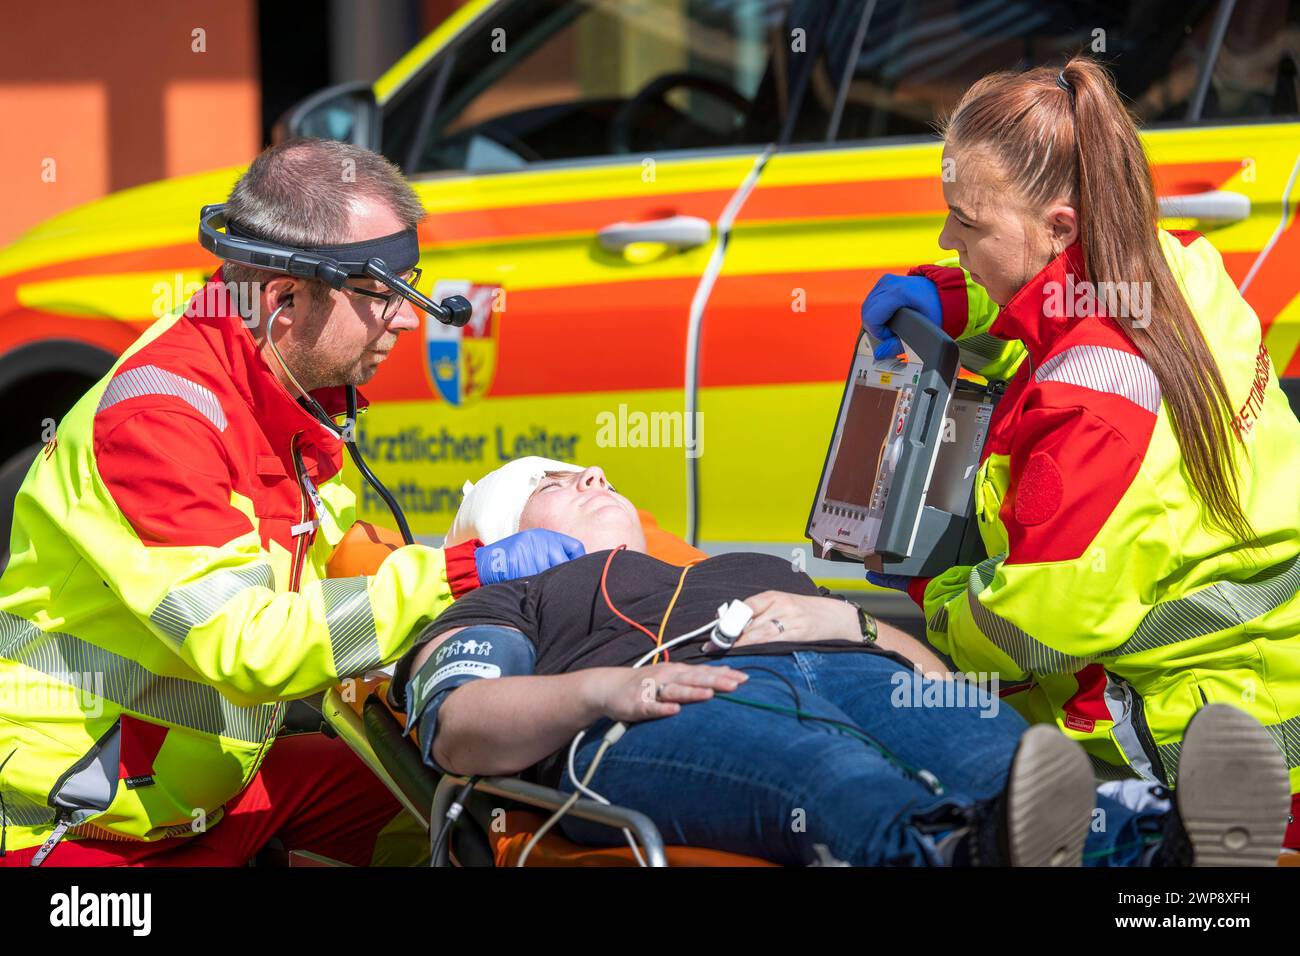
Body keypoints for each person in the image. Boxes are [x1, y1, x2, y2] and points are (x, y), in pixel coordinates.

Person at [0, 139, 581, 867]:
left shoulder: (287, 393)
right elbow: (249, 648)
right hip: (74, 825)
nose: (407, 319)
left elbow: (328, 579)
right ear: (282, 299)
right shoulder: (157, 422)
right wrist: (460, 576)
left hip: (193, 796)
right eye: (382, 294)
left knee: (460, 816)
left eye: (413, 285)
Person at [390, 459, 1292, 866]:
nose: (590, 478)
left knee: (1010, 764)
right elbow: (459, 726)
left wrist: (855, 626)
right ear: (508, 538)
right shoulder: (507, 600)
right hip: (668, 706)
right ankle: (959, 852)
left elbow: (935, 679)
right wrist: (610, 686)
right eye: (554, 481)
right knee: (833, 774)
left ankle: (1160, 837)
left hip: (850, 665)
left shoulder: (737, 566)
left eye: (587, 469)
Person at [860, 57, 1300, 848]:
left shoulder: (1090, 407)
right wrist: (956, 297)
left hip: (1182, 754)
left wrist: (933, 593)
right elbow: (1063, 326)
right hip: (1268, 704)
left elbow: (1038, 630)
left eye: (968, 223)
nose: (945, 237)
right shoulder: (1178, 269)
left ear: (1061, 225)